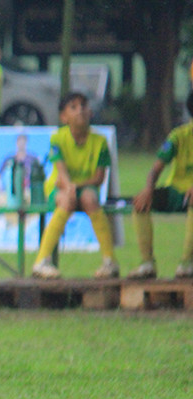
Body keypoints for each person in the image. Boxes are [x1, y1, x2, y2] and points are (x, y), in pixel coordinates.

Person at [32, 92, 119, 280]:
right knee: (66, 200)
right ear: (64, 117)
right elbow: (60, 171)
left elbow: (99, 178)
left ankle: (109, 261)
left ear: (90, 112)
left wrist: (76, 185)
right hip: (61, 187)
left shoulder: (100, 142)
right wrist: (69, 187)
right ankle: (41, 261)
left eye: (83, 105)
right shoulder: (58, 138)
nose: (80, 110)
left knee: (90, 198)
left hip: (86, 188)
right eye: (73, 107)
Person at [126, 91, 193, 279]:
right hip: (177, 191)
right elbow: (155, 169)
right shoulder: (179, 136)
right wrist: (148, 189)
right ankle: (147, 263)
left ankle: (187, 263)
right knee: (141, 202)